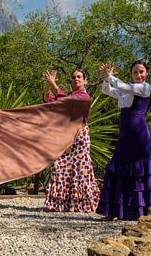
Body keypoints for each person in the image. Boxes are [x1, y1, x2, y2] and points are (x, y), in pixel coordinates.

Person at [96, 60, 151, 221]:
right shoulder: (125, 91)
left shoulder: (146, 88)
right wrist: (106, 78)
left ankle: (144, 211)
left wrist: (111, 76)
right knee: (119, 170)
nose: (138, 75)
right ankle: (114, 212)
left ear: (146, 73)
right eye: (135, 72)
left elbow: (124, 86)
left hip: (140, 136)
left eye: (141, 71)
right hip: (125, 136)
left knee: (141, 171)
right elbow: (107, 90)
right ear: (131, 73)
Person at [43, 69, 100, 212]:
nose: (76, 79)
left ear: (84, 80)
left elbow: (67, 102)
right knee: (60, 166)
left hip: (79, 137)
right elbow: (48, 101)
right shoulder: (67, 95)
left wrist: (55, 85)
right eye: (73, 77)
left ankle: (82, 203)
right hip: (65, 136)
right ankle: (59, 203)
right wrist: (48, 85)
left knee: (80, 168)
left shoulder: (84, 97)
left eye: (79, 77)